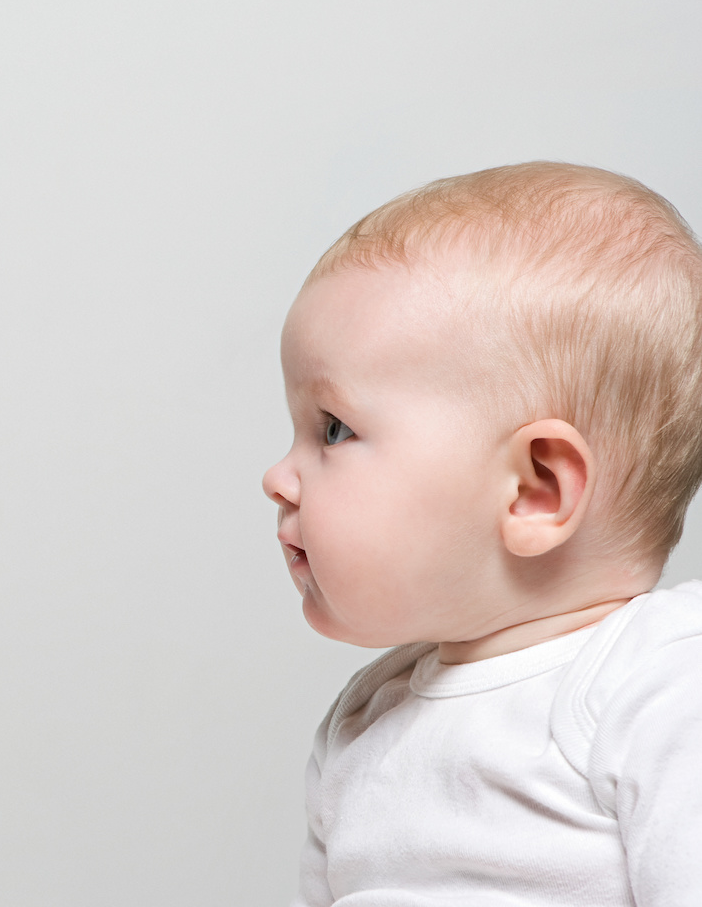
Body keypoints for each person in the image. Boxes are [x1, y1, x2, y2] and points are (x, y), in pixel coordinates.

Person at [262, 161, 702, 904]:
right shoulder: (366, 718)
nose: (278, 476)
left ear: (535, 489)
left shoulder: (656, 686)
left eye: (333, 429)